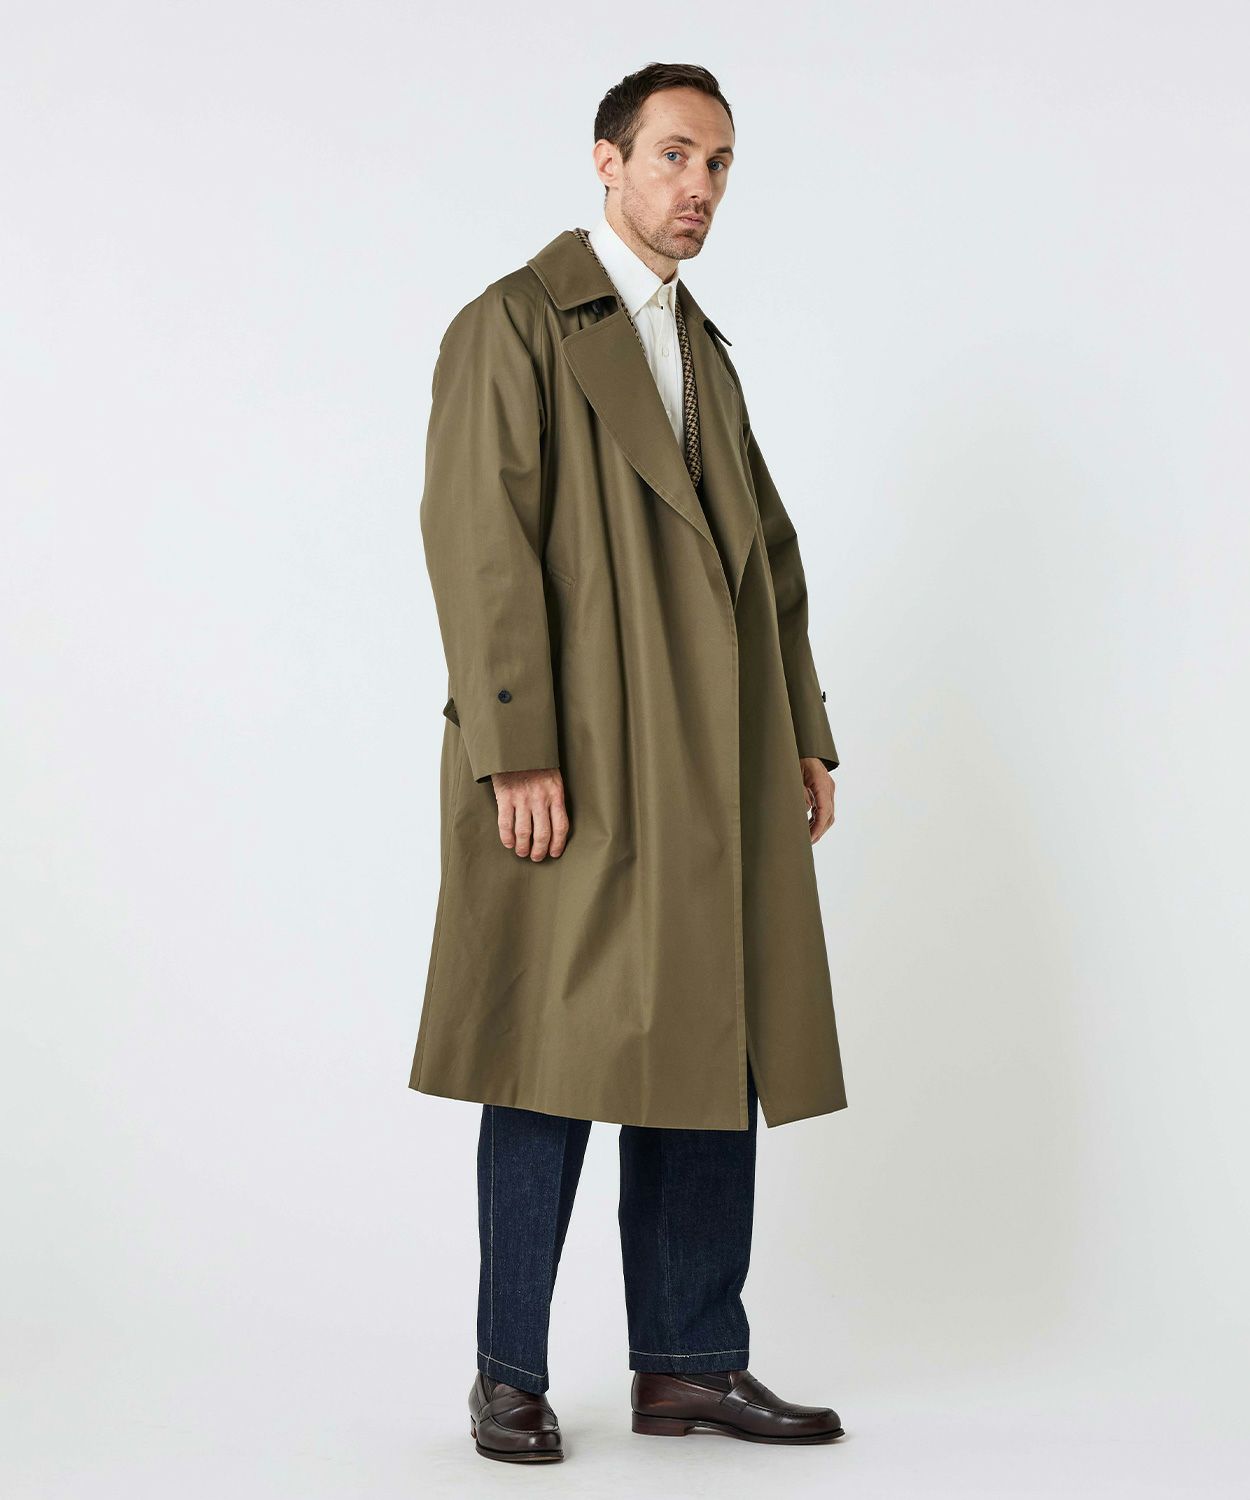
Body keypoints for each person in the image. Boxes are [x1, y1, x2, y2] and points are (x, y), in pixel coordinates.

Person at [409, 61, 849, 1463]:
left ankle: (690, 1366)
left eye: (718, 164)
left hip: (712, 761)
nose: (698, 187)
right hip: (581, 757)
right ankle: (507, 1374)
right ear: (606, 162)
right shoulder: (515, 322)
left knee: (710, 1046)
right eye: (673, 155)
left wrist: (800, 730)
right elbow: (478, 540)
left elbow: (764, 552)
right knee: (545, 1051)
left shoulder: (700, 347)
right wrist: (514, 750)